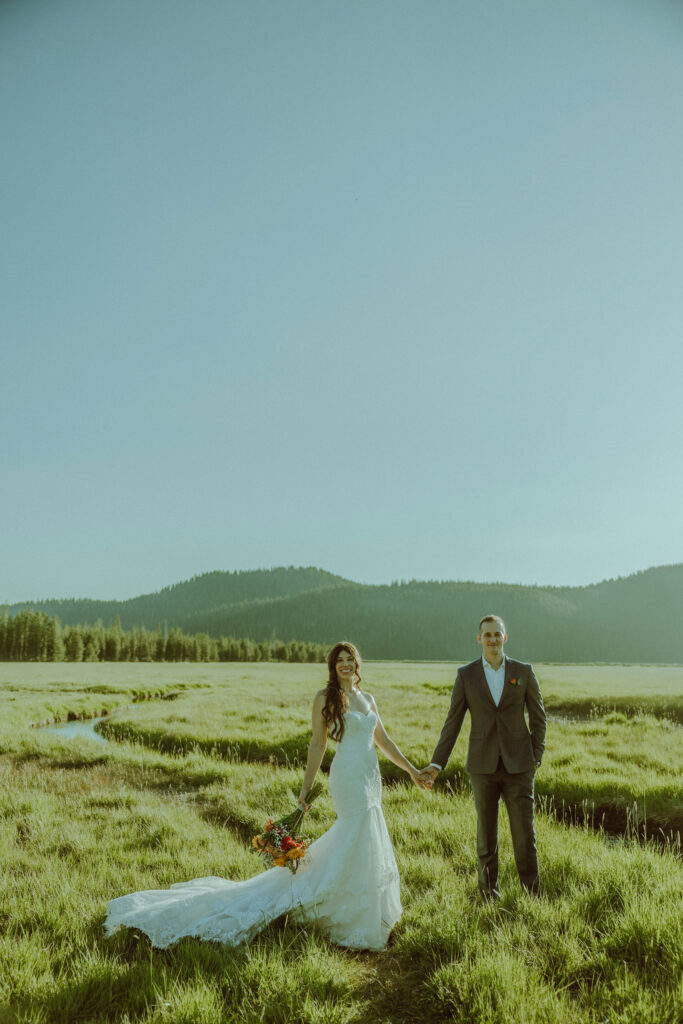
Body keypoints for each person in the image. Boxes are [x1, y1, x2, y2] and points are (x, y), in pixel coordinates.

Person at [104, 641, 425, 951]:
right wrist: (305, 790)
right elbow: (318, 744)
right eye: (339, 660)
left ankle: (368, 910)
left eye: (350, 659)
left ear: (358, 664)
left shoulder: (368, 699)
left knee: (369, 834)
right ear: (333, 666)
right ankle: (330, 907)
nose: (345, 664)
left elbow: (382, 739)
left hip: (371, 776)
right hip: (348, 777)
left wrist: (411, 770)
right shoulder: (326, 698)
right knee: (352, 832)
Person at [418, 616, 546, 900]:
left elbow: (539, 717)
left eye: (497, 634)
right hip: (482, 768)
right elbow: (453, 722)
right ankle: (489, 896)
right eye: (487, 635)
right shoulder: (467, 675)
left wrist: (536, 756)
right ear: (479, 639)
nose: (492, 639)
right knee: (486, 838)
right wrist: (437, 764)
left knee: (525, 836)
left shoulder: (523, 671)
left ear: (505, 637)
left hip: (520, 767)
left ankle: (532, 895)